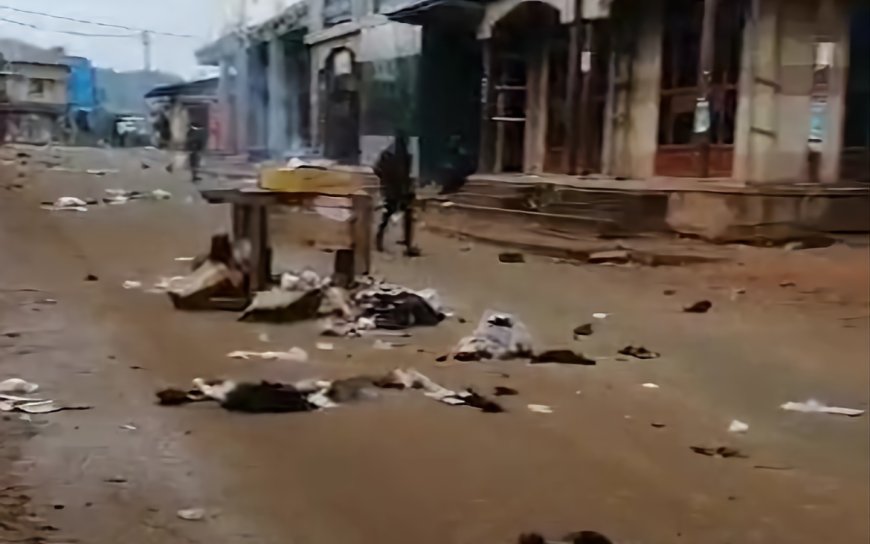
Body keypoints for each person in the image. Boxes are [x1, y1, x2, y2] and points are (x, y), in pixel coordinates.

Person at [374, 130, 419, 256]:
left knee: (391, 215)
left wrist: (385, 181)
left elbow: (377, 169)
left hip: (395, 189)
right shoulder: (401, 155)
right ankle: (406, 243)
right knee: (397, 215)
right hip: (398, 189)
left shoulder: (388, 154)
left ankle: (381, 240)